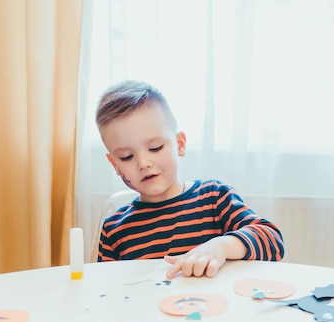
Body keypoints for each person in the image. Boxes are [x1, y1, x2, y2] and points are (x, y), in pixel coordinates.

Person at [95, 80, 285, 278]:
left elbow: (273, 241)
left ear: (179, 144)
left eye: (155, 148)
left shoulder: (214, 198)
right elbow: (106, 290)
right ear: (114, 164)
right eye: (126, 157)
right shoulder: (114, 229)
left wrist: (221, 246)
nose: (143, 163)